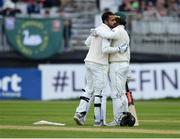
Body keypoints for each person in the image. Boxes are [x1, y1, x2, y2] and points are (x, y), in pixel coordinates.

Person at [73, 11, 126, 126]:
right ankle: (98, 120)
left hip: (88, 61)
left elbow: (87, 43)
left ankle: (80, 113)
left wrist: (95, 46)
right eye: (112, 20)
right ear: (106, 21)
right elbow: (105, 49)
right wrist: (119, 49)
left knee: (88, 89)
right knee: (100, 93)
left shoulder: (97, 29)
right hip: (99, 64)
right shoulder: (107, 31)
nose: (114, 22)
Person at [94, 12, 131, 126]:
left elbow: (107, 35)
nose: (113, 22)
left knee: (116, 93)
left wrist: (96, 31)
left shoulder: (118, 30)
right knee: (121, 92)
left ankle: (120, 117)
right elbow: (128, 53)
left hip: (117, 64)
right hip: (124, 64)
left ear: (118, 21)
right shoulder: (124, 32)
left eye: (115, 20)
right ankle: (125, 115)